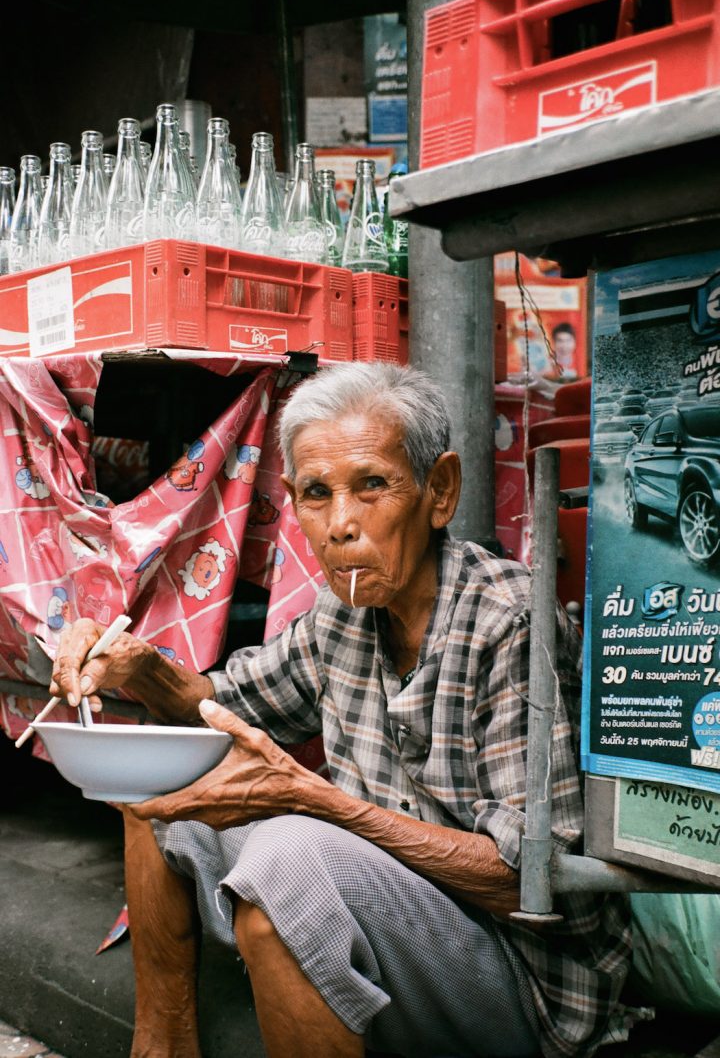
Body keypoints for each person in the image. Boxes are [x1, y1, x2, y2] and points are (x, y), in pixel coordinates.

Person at [50, 362, 634, 1058]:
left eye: (372, 487)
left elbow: (530, 887)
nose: (341, 527)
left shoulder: (508, 624)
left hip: (527, 979)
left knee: (285, 868)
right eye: (318, 496)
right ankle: (162, 1045)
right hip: (399, 914)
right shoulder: (343, 617)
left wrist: (319, 802)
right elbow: (217, 707)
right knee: (156, 783)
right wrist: (142, 667)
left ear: (438, 492)